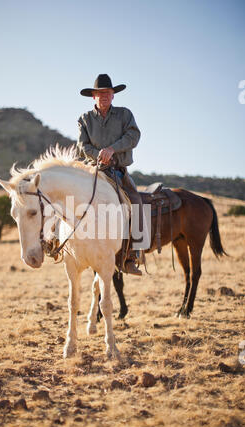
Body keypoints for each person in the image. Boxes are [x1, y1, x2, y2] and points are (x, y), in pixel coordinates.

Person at [77, 74, 150, 276]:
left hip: (118, 171)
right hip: (94, 171)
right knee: (70, 199)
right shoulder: (84, 119)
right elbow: (83, 146)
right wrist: (99, 155)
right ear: (93, 96)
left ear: (113, 95)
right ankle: (60, 244)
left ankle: (131, 256)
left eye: (108, 93)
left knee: (135, 201)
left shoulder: (125, 115)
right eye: (100, 93)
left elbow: (133, 136)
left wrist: (112, 149)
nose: (104, 96)